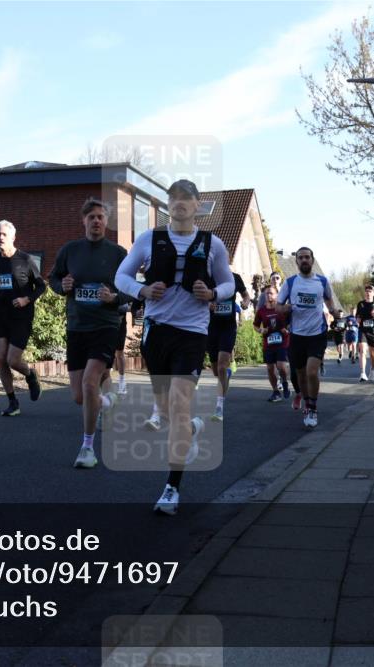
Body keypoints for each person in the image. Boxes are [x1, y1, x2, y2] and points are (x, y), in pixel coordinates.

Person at [116, 179, 234, 515]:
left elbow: (227, 283)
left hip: (193, 333)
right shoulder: (148, 239)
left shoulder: (213, 244)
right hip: (157, 333)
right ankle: (192, 428)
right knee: (169, 413)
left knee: (180, 403)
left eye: (186, 198)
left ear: (198, 205)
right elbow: (120, 276)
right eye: (174, 198)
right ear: (169, 204)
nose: (179, 203)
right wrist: (142, 290)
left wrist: (212, 294)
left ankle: (171, 488)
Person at [49, 197, 127, 469]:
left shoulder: (118, 254)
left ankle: (87, 448)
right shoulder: (70, 250)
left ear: (106, 222)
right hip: (76, 326)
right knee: (80, 397)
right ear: (84, 220)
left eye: (101, 217)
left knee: (91, 383)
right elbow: (53, 279)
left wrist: (113, 297)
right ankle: (107, 401)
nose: (96, 221)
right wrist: (63, 285)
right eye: (91, 216)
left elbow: (130, 291)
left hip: (105, 326)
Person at [0, 220, 45, 416]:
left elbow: (41, 286)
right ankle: (13, 402)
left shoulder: (25, 259)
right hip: (0, 316)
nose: (0, 237)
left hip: (21, 317)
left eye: (4, 234)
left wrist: (26, 299)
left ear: (13, 237)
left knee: (13, 360)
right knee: (2, 360)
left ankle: (30, 375)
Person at [277, 247, 335, 429]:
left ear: (312, 259)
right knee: (301, 374)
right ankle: (305, 397)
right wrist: (284, 309)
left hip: (317, 334)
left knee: (311, 372)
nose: (304, 260)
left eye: (307, 257)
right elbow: (278, 306)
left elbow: (329, 300)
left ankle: (312, 407)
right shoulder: (291, 283)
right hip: (297, 335)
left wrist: (334, 311)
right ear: (296, 261)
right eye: (301, 258)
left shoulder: (322, 281)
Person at [206, 272, 251, 421]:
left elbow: (246, 295)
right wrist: (207, 304)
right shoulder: (207, 276)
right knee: (216, 370)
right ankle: (226, 376)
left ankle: (219, 407)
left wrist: (245, 302)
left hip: (228, 327)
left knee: (221, 367)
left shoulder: (234, 277)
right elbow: (195, 298)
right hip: (210, 327)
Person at [254, 285, 290, 402]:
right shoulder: (261, 311)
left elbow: (291, 321)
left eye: (271, 293)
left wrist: (287, 329)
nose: (268, 295)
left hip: (282, 341)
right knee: (270, 368)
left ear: (277, 294)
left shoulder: (282, 309)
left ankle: (284, 382)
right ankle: (275, 391)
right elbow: (255, 325)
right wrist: (260, 330)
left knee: (281, 366)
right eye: (266, 293)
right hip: (268, 342)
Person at [355, 284, 374, 382]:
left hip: (373, 331)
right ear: (365, 293)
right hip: (363, 330)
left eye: (370, 291)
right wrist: (357, 319)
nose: (368, 293)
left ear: (373, 293)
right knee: (362, 350)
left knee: (372, 353)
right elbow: (357, 316)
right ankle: (362, 373)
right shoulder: (360, 304)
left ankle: (372, 369)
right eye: (367, 291)